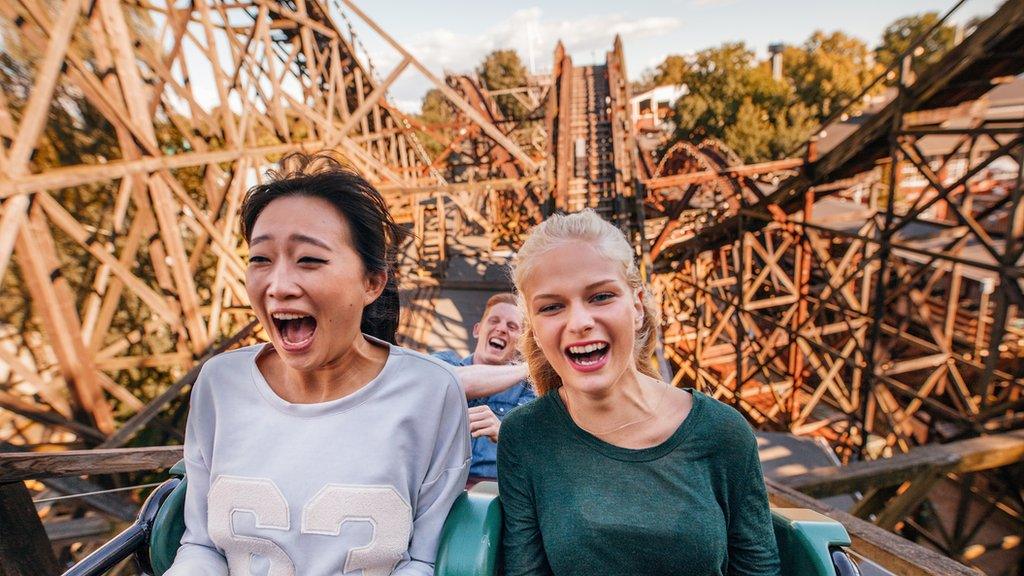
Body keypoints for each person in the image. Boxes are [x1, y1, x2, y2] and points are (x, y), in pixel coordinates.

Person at [166, 153, 470, 576]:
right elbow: (201, 544)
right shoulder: (220, 384)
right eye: (260, 259)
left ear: (372, 282)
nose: (278, 286)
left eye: (309, 260)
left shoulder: (431, 393)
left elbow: (424, 560)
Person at [498, 209, 780, 576]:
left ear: (637, 305)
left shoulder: (723, 432)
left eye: (600, 296)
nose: (580, 322)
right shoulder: (525, 436)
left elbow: (758, 569)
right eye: (552, 307)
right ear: (534, 329)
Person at [434, 293, 534, 484]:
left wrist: (505, 433)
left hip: (492, 490)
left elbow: (535, 451)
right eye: (494, 321)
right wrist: (530, 367)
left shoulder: (527, 390)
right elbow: (456, 381)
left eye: (512, 326)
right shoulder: (444, 362)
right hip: (436, 486)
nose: (501, 329)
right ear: (477, 330)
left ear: (521, 342)